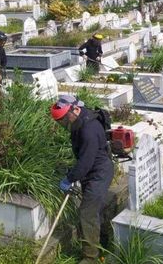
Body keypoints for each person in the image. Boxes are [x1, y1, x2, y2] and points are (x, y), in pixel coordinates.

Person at [50, 95, 114, 264]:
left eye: (65, 119)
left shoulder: (88, 129)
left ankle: (90, 258)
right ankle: (104, 242)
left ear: (75, 109)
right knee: (94, 209)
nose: (64, 123)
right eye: (61, 121)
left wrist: (70, 178)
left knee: (87, 212)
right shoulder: (81, 119)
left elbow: (86, 161)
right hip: (92, 170)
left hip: (99, 173)